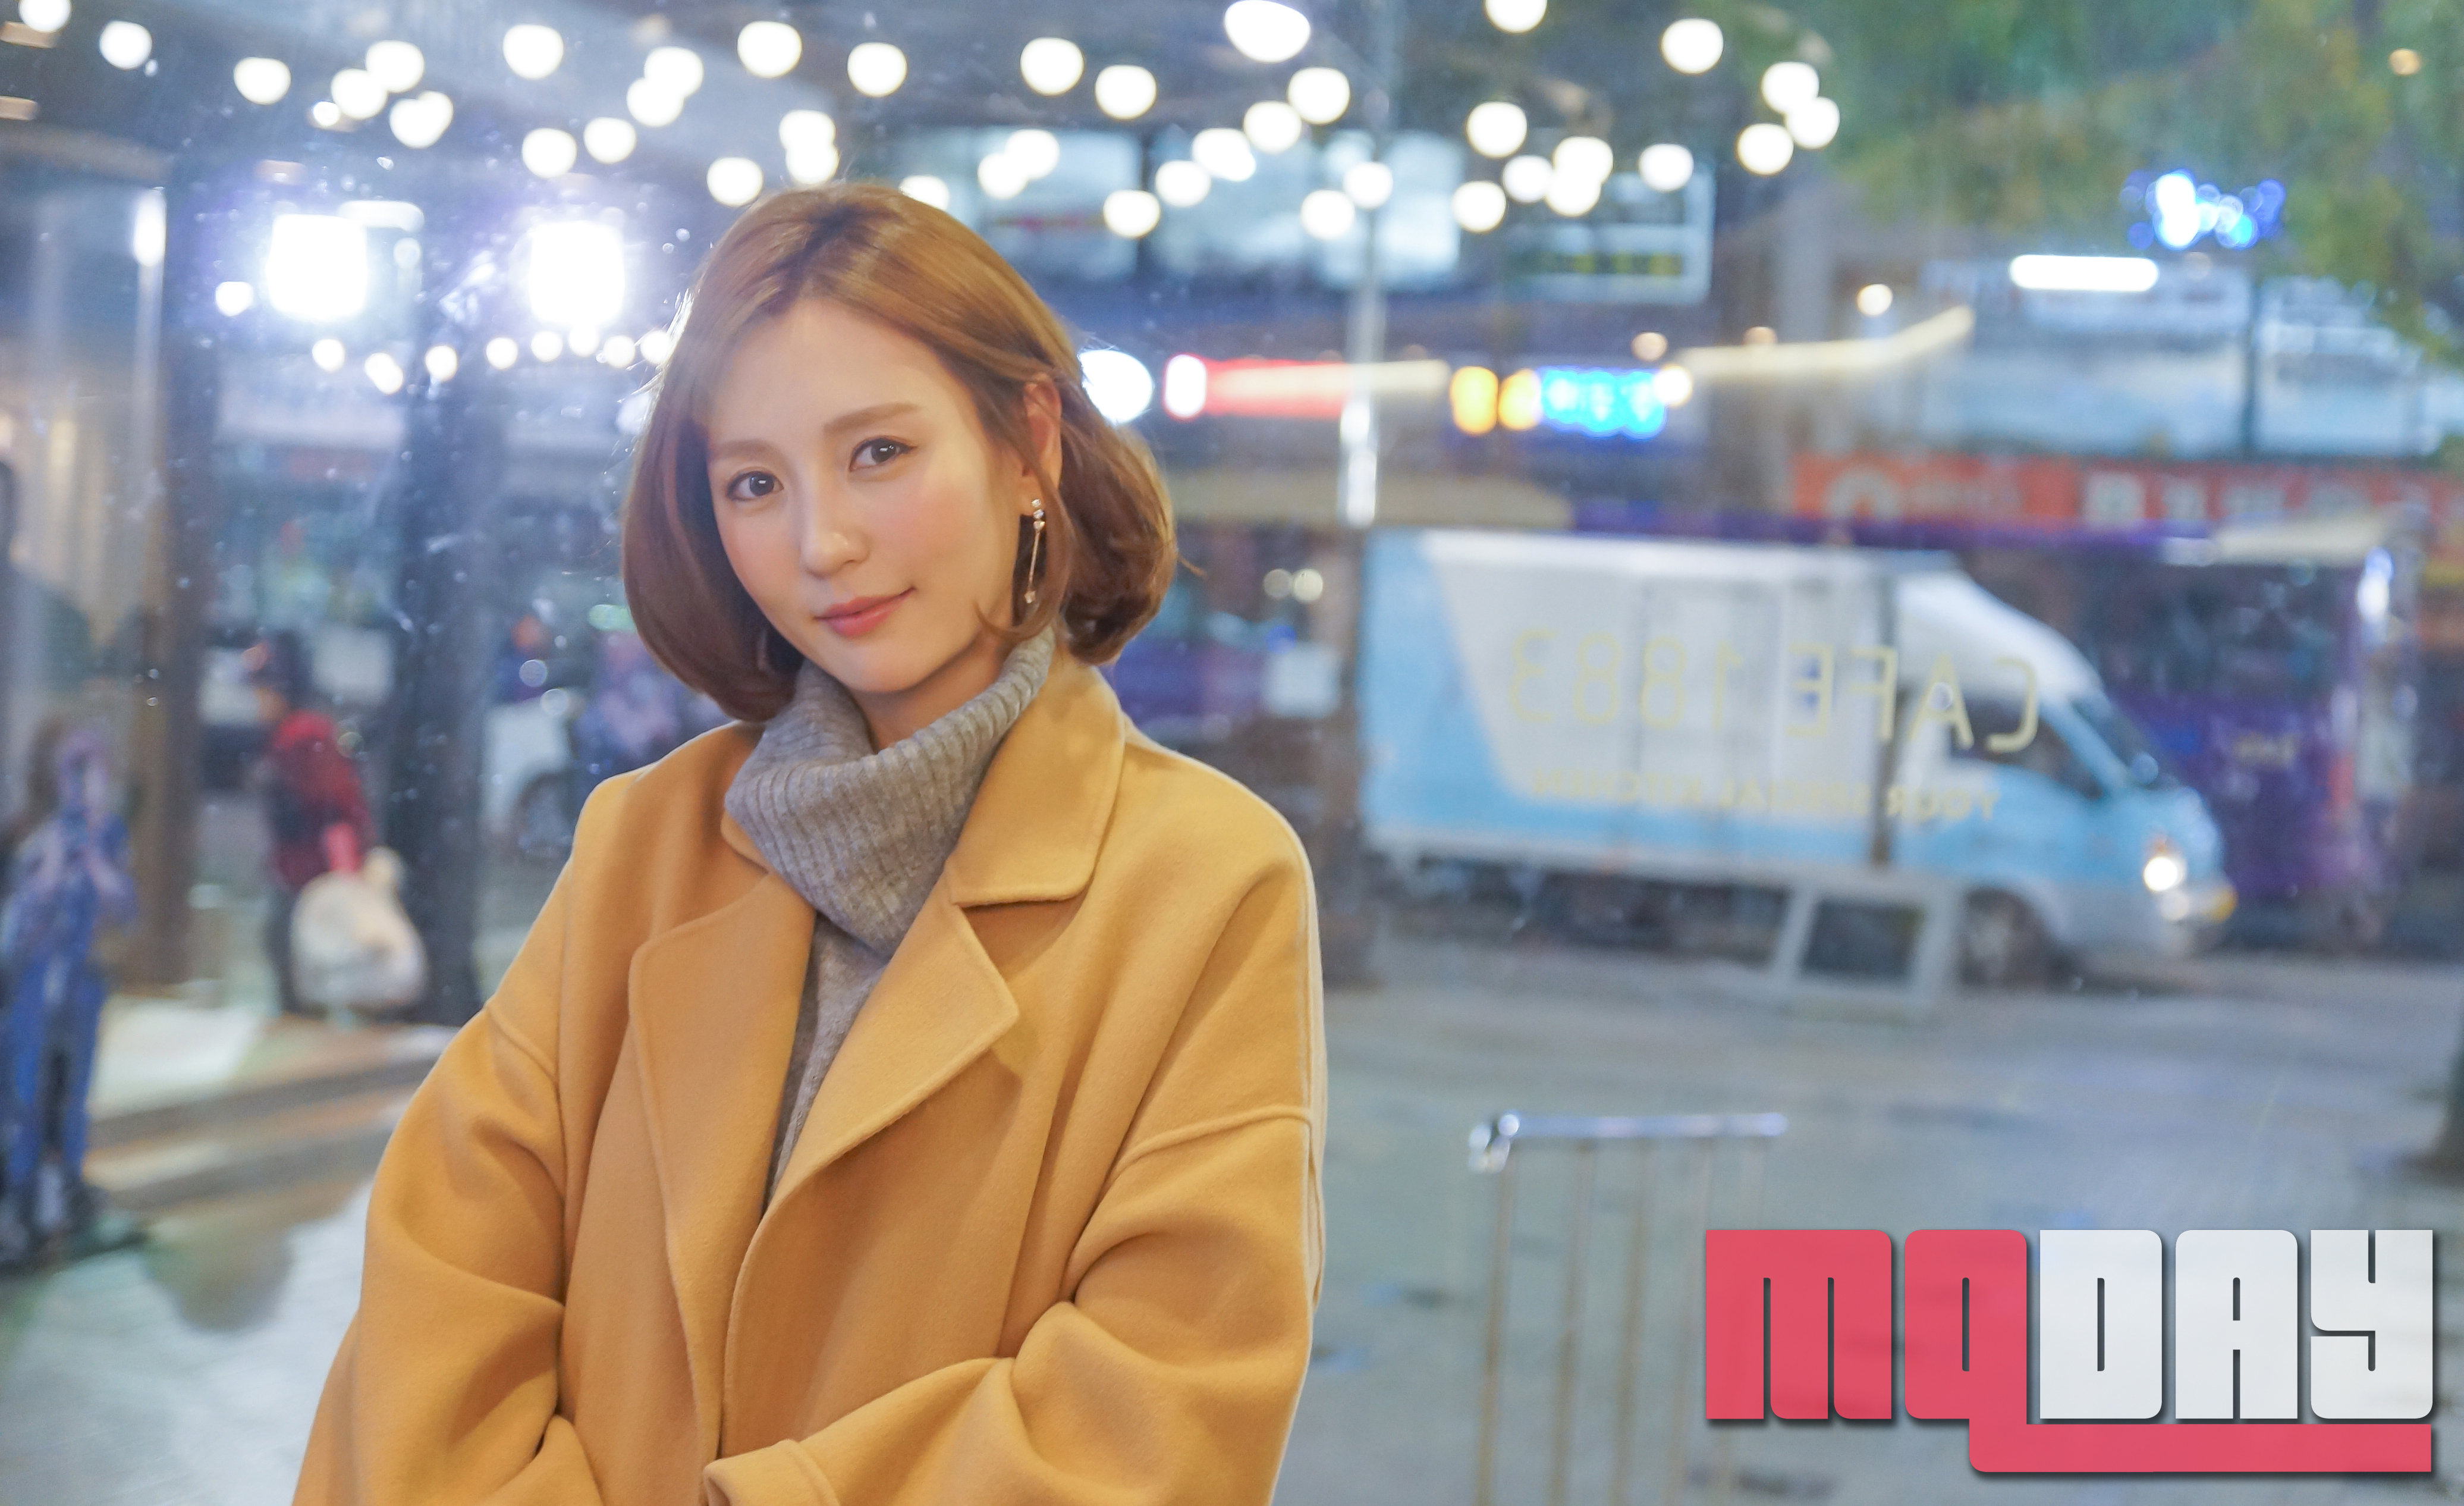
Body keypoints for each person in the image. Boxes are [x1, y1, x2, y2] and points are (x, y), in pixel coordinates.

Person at [295, 183, 1325, 1506]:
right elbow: (440, 1288)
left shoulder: (1206, 881)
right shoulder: (645, 842)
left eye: (878, 453)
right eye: (754, 483)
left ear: (1028, 445)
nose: (819, 542)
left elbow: (1162, 1402)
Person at [0, 721, 138, 1267]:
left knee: (71, 1097)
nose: (84, 779)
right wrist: (49, 865)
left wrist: (95, 862)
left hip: (80, 988)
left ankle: (63, 1202)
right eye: (73, 766)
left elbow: (123, 909)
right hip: (30, 991)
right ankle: (20, 1208)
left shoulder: (105, 835)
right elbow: (19, 923)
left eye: (93, 765)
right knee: (25, 1098)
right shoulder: (27, 834)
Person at [247, 631, 374, 1016]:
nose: (257, 702)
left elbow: (331, 806)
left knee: (295, 950)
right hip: (303, 867)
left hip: (310, 869)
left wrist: (343, 868)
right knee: (290, 947)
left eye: (262, 691)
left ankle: (302, 1018)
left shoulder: (303, 734)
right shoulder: (300, 731)